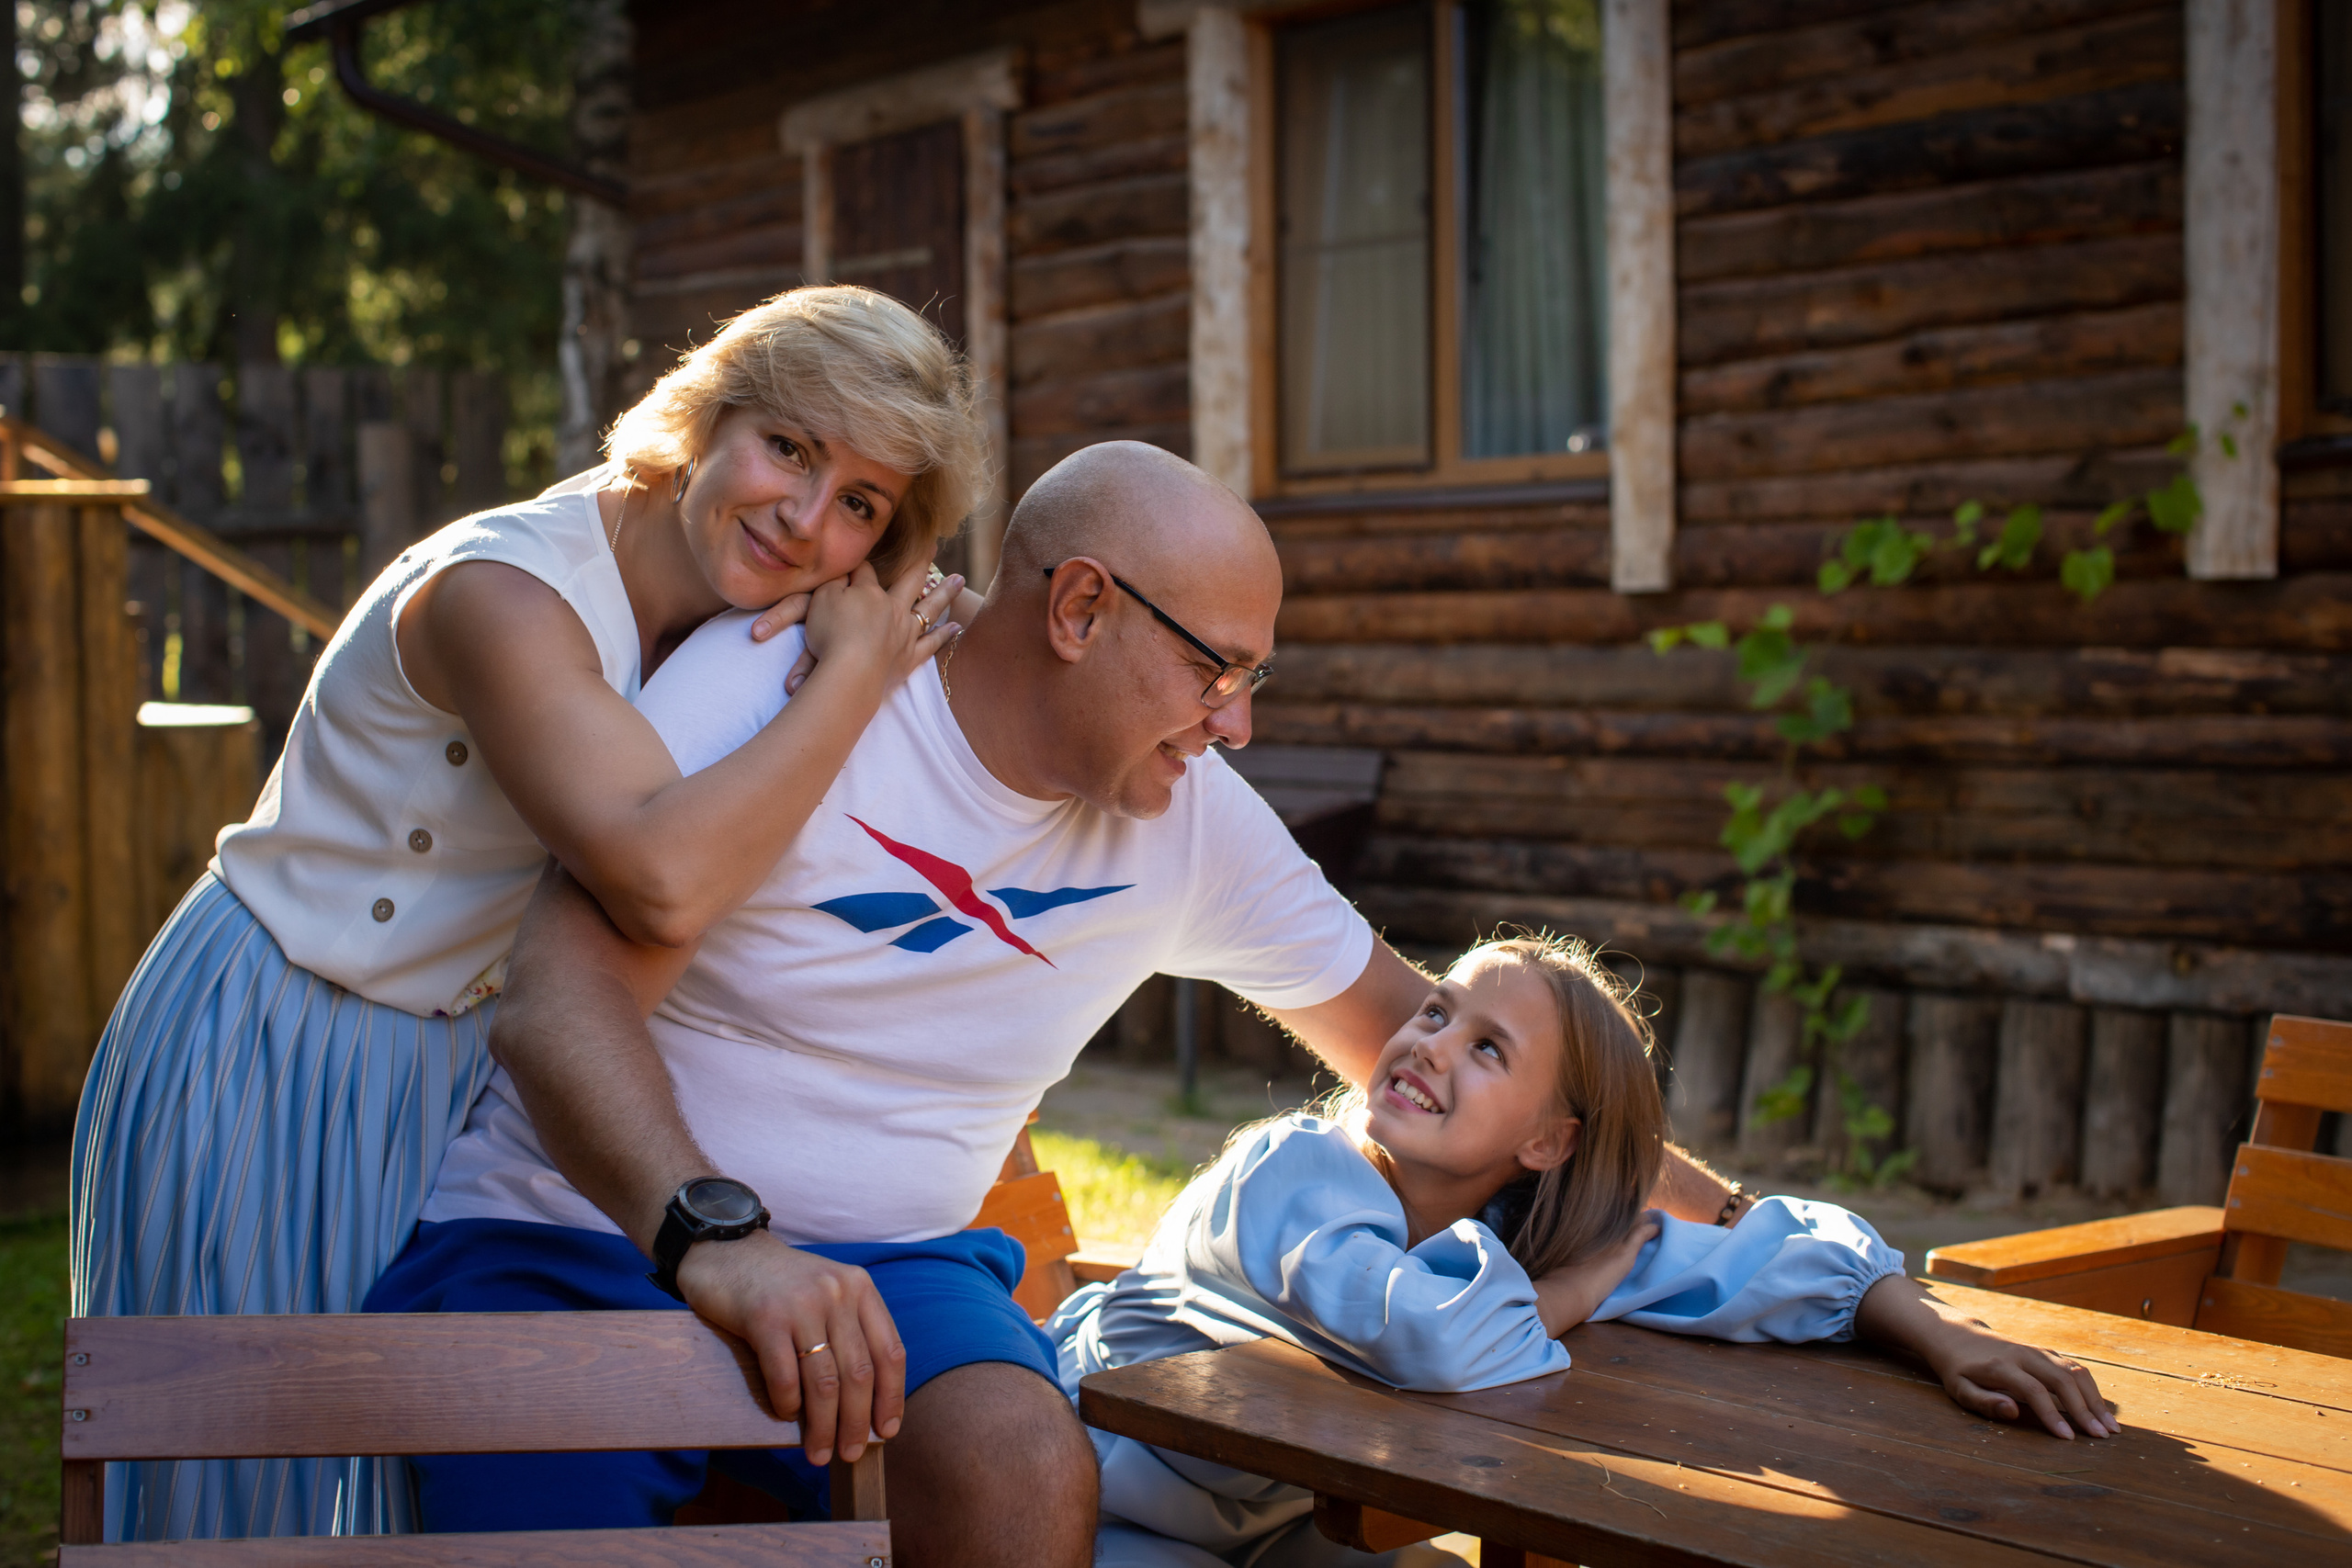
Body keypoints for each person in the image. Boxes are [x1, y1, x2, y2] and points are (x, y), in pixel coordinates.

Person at [368, 442, 1773, 1568]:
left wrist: (1790, 1242)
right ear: (1081, 605)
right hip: (586, 1228)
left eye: (1253, 678)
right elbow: (558, 1002)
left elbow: (1480, 1054)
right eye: (1215, 667)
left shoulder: (1190, 820)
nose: (1237, 721)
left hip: (901, 1268)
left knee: (1024, 1460)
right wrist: (718, 1238)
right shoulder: (787, 677)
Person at [69, 285, 986, 1541]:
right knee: (245, 1471)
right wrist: (854, 676)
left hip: (453, 1068)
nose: (803, 517)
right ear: (707, 415)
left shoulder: (732, 623)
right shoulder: (504, 591)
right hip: (278, 1031)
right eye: (790, 447)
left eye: (862, 505)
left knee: (395, 1485)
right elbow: (657, 878)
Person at [1049, 933, 2121, 1568]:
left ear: (1546, 1142)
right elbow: (1427, 1337)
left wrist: (1935, 1336)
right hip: (1094, 1485)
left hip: (1269, 1515)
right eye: (1436, 1011)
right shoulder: (1291, 1172)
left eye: (1485, 1047)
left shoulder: (1524, 1238)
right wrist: (1579, 1284)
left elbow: (1763, 1256)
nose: (1427, 1045)